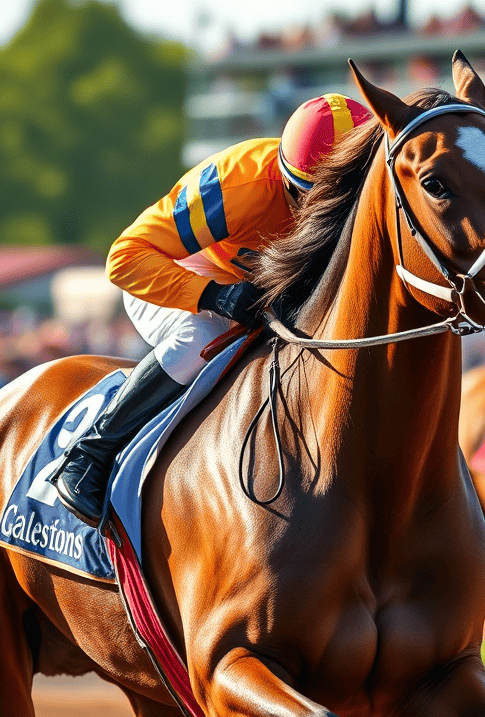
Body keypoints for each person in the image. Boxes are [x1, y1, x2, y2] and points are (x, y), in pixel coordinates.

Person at [52, 93, 372, 524]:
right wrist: (212, 296)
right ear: (287, 178)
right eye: (313, 199)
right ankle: (90, 453)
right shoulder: (239, 185)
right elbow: (126, 256)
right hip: (181, 274)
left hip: (263, 291)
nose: (327, 218)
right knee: (202, 336)